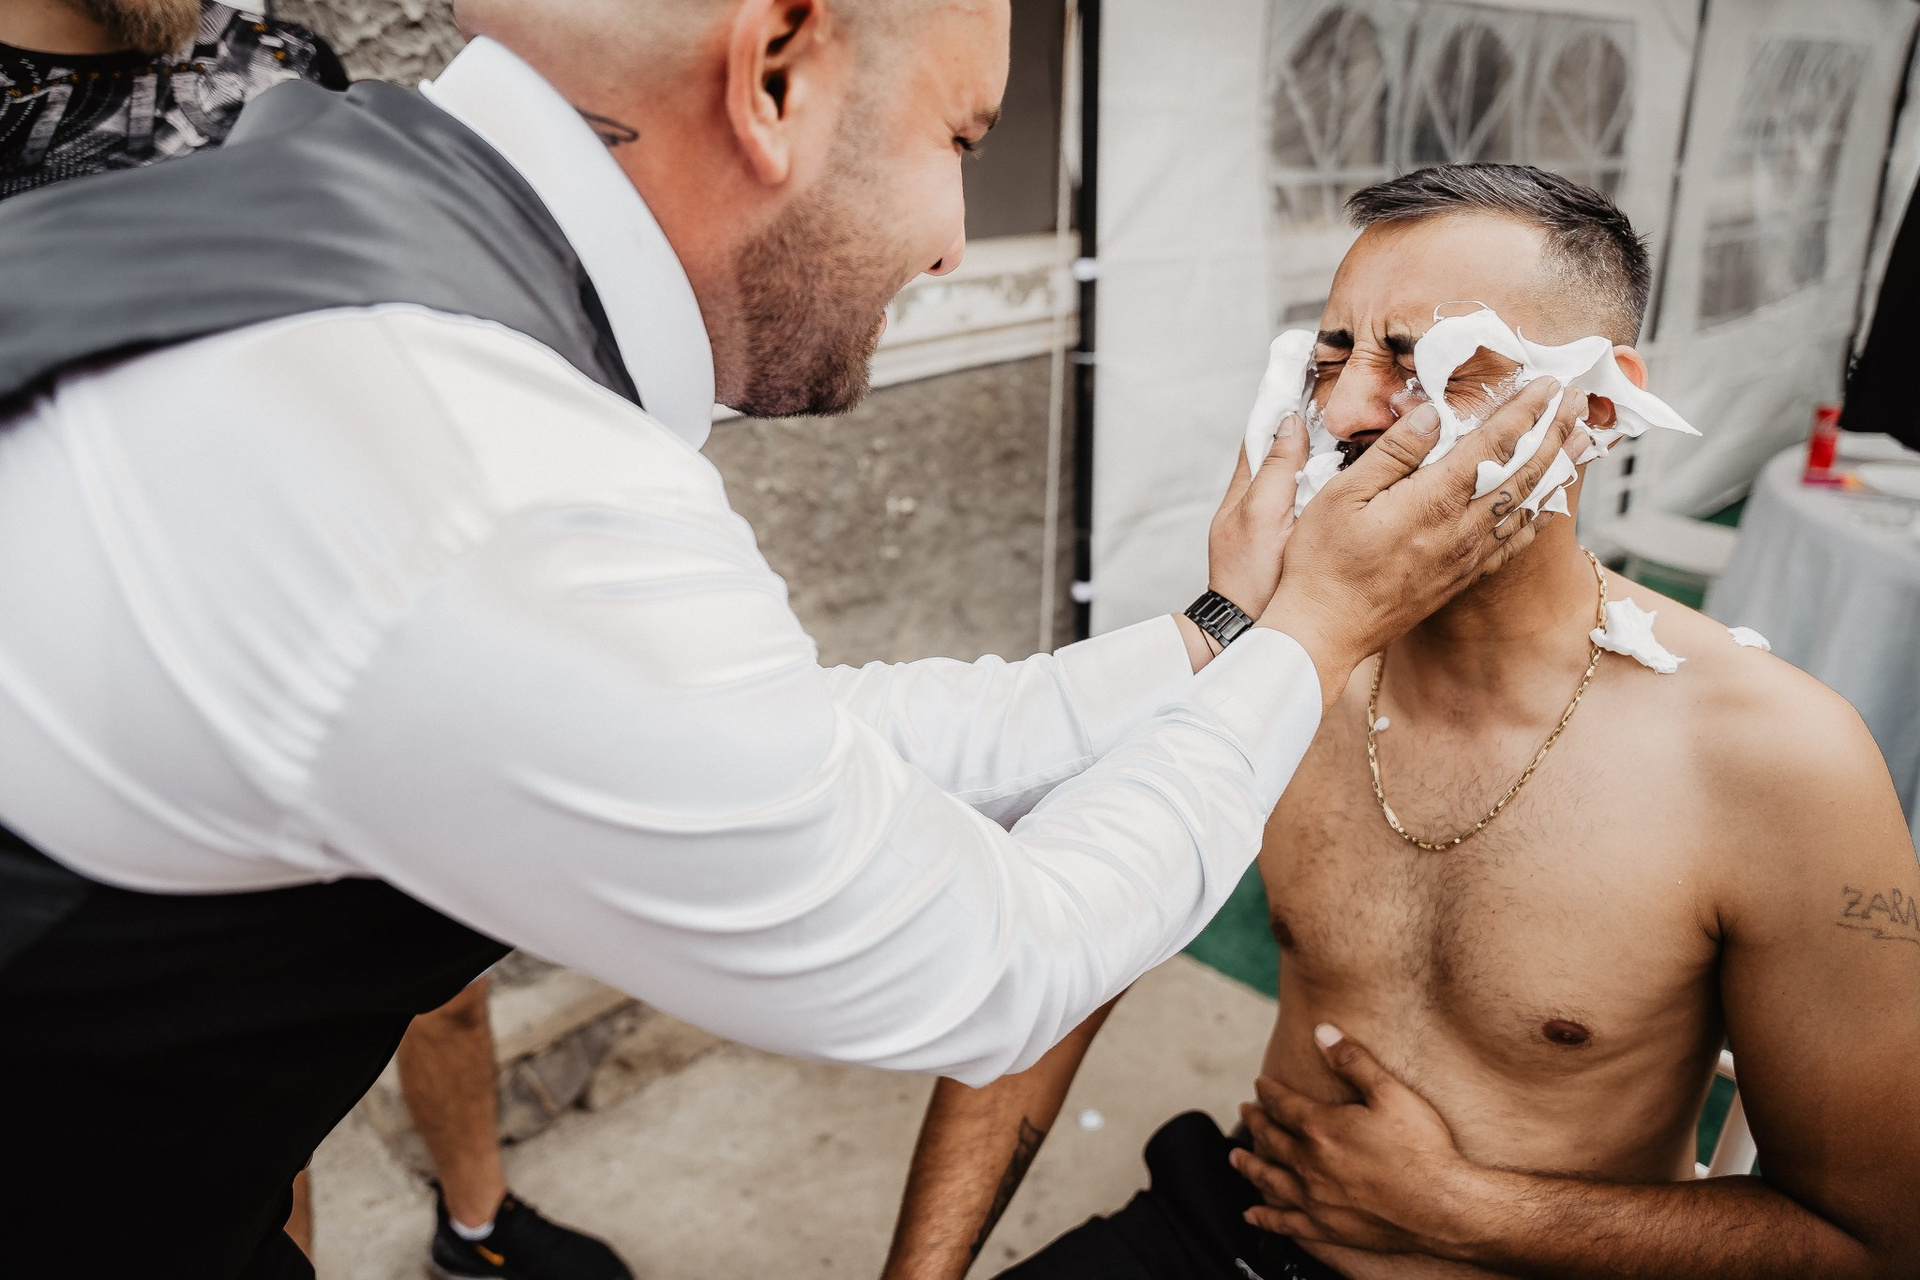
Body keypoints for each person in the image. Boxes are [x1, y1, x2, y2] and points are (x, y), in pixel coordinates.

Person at [0, 0, 1584, 1272]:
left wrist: (1222, 630)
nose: (955, 240)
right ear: (775, 72)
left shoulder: (364, 231)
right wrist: (1316, 632)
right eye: (961, 139)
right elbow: (1006, 956)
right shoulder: (505, 492)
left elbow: (798, 746)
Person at [880, 164, 1920, 1280]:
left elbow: (1874, 1237)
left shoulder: (1778, 761)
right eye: (1331, 361)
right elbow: (1056, 966)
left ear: (1598, 405)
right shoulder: (1275, 665)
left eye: (1432, 365)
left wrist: (1464, 1210)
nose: (1344, 412)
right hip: (1242, 1227)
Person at [0, 3, 630, 1274]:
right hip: (95, 747)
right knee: (217, 1138)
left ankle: (476, 1224)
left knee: (441, 985)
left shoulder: (279, 61)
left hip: (335, 653)